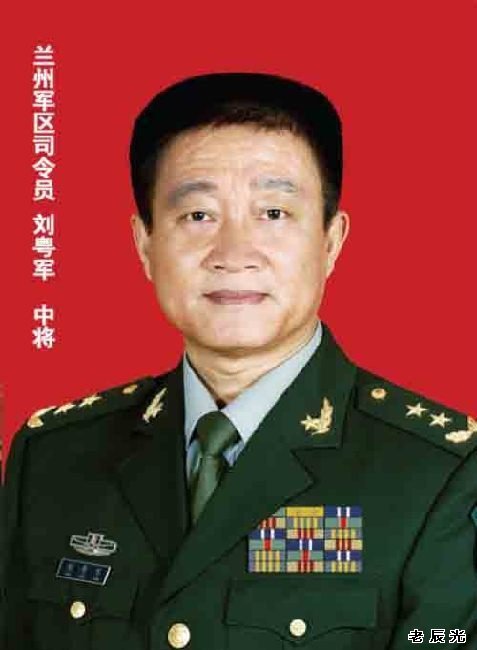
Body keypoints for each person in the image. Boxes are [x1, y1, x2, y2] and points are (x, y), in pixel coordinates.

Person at [2, 73, 476, 650]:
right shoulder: (54, 457)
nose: (233, 254)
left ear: (331, 241)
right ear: (145, 245)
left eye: (273, 213)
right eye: (198, 216)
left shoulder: (439, 473)